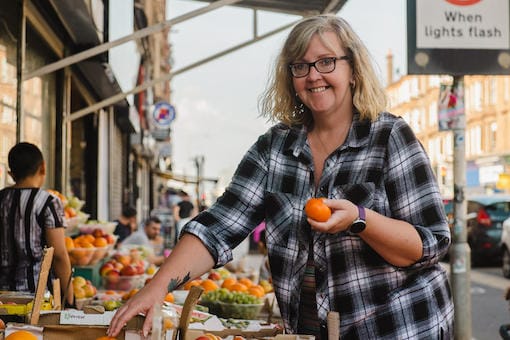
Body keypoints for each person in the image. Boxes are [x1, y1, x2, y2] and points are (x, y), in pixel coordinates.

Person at [109, 14, 453, 339]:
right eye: (300, 66)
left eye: (326, 62)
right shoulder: (275, 148)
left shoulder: (389, 137)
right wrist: (155, 289)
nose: (313, 75)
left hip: (398, 325)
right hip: (309, 328)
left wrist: (359, 219)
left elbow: (429, 244)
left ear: (353, 70)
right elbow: (218, 227)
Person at [0, 142, 73, 306]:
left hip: (3, 299)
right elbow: (59, 255)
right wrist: (69, 299)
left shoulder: (1, 198)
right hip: (39, 299)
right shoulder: (48, 202)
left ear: (11, 174)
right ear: (43, 168)